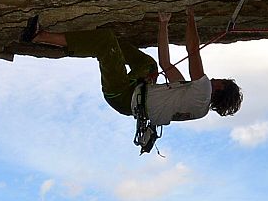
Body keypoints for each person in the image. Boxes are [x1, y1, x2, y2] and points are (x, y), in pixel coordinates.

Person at [20, 8, 242, 125]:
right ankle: (105, 42)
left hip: (122, 96)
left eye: (218, 81)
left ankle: (39, 36)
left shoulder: (203, 91)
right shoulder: (196, 105)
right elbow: (165, 63)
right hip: (134, 96)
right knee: (150, 65)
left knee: (105, 42)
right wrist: (163, 24)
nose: (214, 79)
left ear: (220, 88)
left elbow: (193, 51)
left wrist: (190, 16)